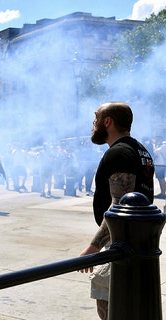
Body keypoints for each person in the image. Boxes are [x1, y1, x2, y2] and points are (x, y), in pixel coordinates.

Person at [78, 102, 154, 320]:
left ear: (108, 121)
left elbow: (120, 205)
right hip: (138, 240)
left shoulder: (118, 153)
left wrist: (94, 246)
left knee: (109, 305)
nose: (93, 124)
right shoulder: (140, 150)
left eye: (96, 118)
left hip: (120, 242)